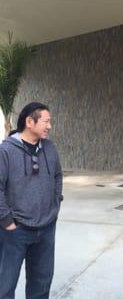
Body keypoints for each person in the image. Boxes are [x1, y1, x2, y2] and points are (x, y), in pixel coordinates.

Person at [0, 102, 63, 299]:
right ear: (29, 121)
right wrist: (7, 220)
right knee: (5, 285)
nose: (49, 126)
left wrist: (55, 206)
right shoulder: (6, 151)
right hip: (15, 231)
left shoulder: (50, 148)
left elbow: (57, 176)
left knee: (41, 284)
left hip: (46, 228)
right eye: (46, 121)